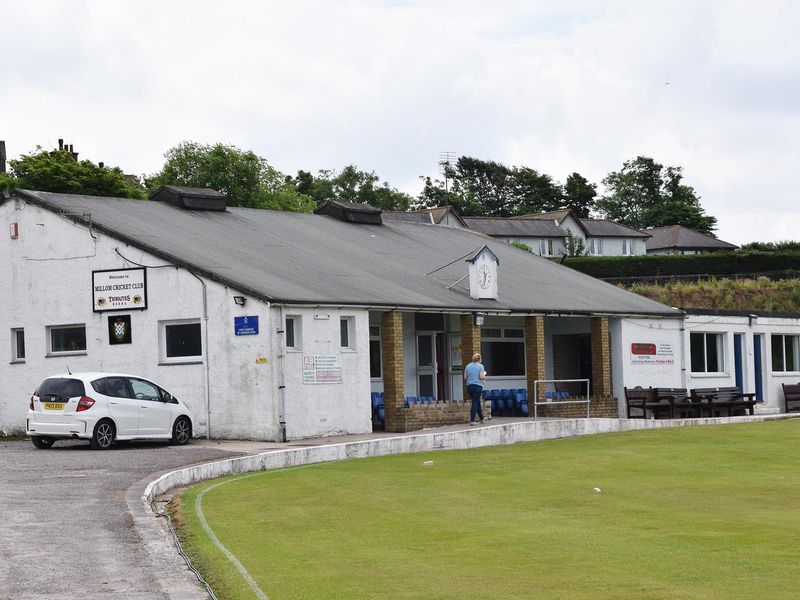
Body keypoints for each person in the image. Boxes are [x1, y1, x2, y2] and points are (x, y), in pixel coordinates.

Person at [464, 352, 487, 425]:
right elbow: (481, 377)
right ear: (479, 359)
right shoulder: (481, 366)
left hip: (469, 386)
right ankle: (472, 421)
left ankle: (482, 419)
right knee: (475, 402)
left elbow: (465, 377)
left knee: (477, 402)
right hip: (477, 386)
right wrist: (484, 375)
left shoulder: (467, 366)